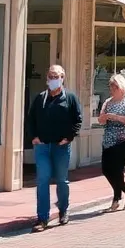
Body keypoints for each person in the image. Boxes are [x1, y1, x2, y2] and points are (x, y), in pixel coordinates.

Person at [25, 64, 83, 232]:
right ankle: (42, 217)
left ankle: (63, 210)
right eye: (50, 76)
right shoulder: (40, 98)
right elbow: (31, 119)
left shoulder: (70, 98)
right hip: (42, 146)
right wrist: (34, 137)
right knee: (42, 180)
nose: (53, 80)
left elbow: (77, 120)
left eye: (56, 76)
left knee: (62, 180)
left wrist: (69, 137)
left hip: (60, 147)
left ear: (62, 78)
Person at [97, 73, 125, 212]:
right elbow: (100, 120)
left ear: (121, 87)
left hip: (124, 138)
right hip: (109, 139)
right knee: (106, 169)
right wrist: (105, 117)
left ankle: (116, 200)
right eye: (110, 87)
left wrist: (117, 117)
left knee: (117, 169)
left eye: (114, 87)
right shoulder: (108, 102)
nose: (111, 89)